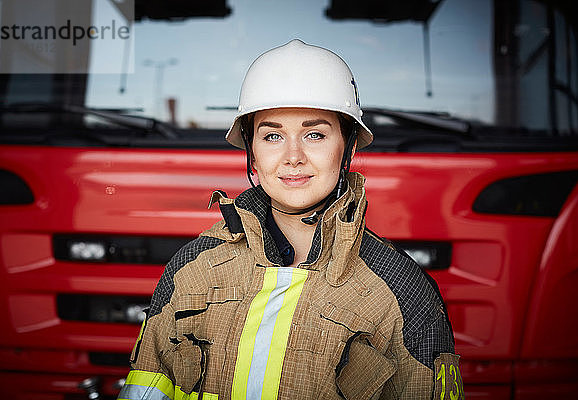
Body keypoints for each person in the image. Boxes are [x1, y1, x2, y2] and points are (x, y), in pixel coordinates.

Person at [118, 39, 464, 400]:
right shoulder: (191, 268)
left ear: (348, 147)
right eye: (272, 136)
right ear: (251, 150)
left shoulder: (402, 290)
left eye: (314, 134)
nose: (293, 156)